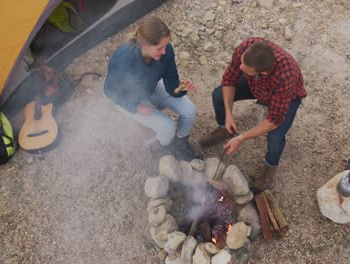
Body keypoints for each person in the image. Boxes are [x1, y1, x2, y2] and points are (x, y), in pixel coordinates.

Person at [199, 37, 307, 192]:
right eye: (241, 62)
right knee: (218, 95)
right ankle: (224, 129)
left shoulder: (286, 74)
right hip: (256, 84)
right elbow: (229, 80)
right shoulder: (247, 49)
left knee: (276, 137)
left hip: (286, 97)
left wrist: (242, 138)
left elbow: (274, 119)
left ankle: (270, 168)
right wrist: (229, 114)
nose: (240, 66)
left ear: (263, 72)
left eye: (245, 68)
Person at [104, 16, 200, 160]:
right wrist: (135, 107)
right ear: (145, 46)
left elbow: (171, 86)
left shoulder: (166, 51)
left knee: (190, 111)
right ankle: (166, 148)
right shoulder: (123, 59)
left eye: (165, 46)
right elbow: (110, 90)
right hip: (130, 99)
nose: (164, 52)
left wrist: (182, 88)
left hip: (152, 87)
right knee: (168, 127)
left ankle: (181, 142)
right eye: (159, 48)